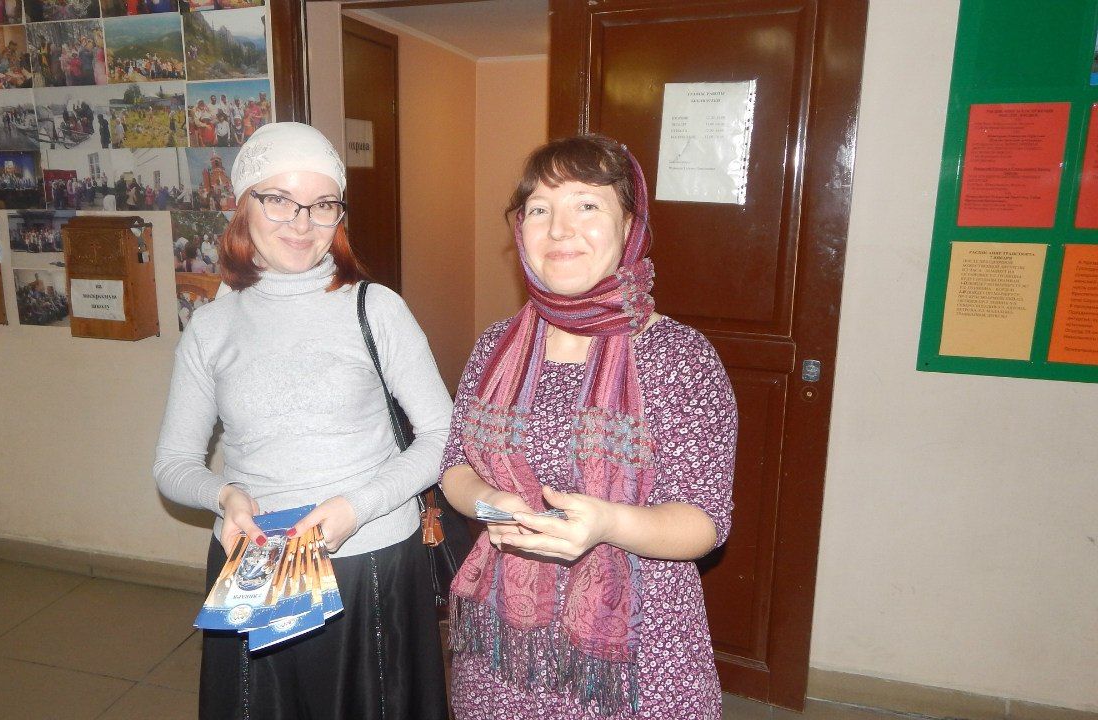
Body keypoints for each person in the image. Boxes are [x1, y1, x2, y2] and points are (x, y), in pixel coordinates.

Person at [153, 122, 451, 720]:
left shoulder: (376, 309)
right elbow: (174, 465)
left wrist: (357, 508)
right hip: (260, 563)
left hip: (370, 560)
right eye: (280, 200)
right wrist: (225, 497)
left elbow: (444, 437)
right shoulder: (212, 326)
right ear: (244, 206)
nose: (302, 222)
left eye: (322, 205)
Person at [440, 135, 738, 719]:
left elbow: (704, 523)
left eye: (586, 204)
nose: (559, 229)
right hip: (504, 652)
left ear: (629, 225)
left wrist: (606, 523)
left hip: (638, 654)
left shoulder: (681, 358)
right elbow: (455, 468)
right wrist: (495, 504)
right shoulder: (494, 348)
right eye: (539, 209)